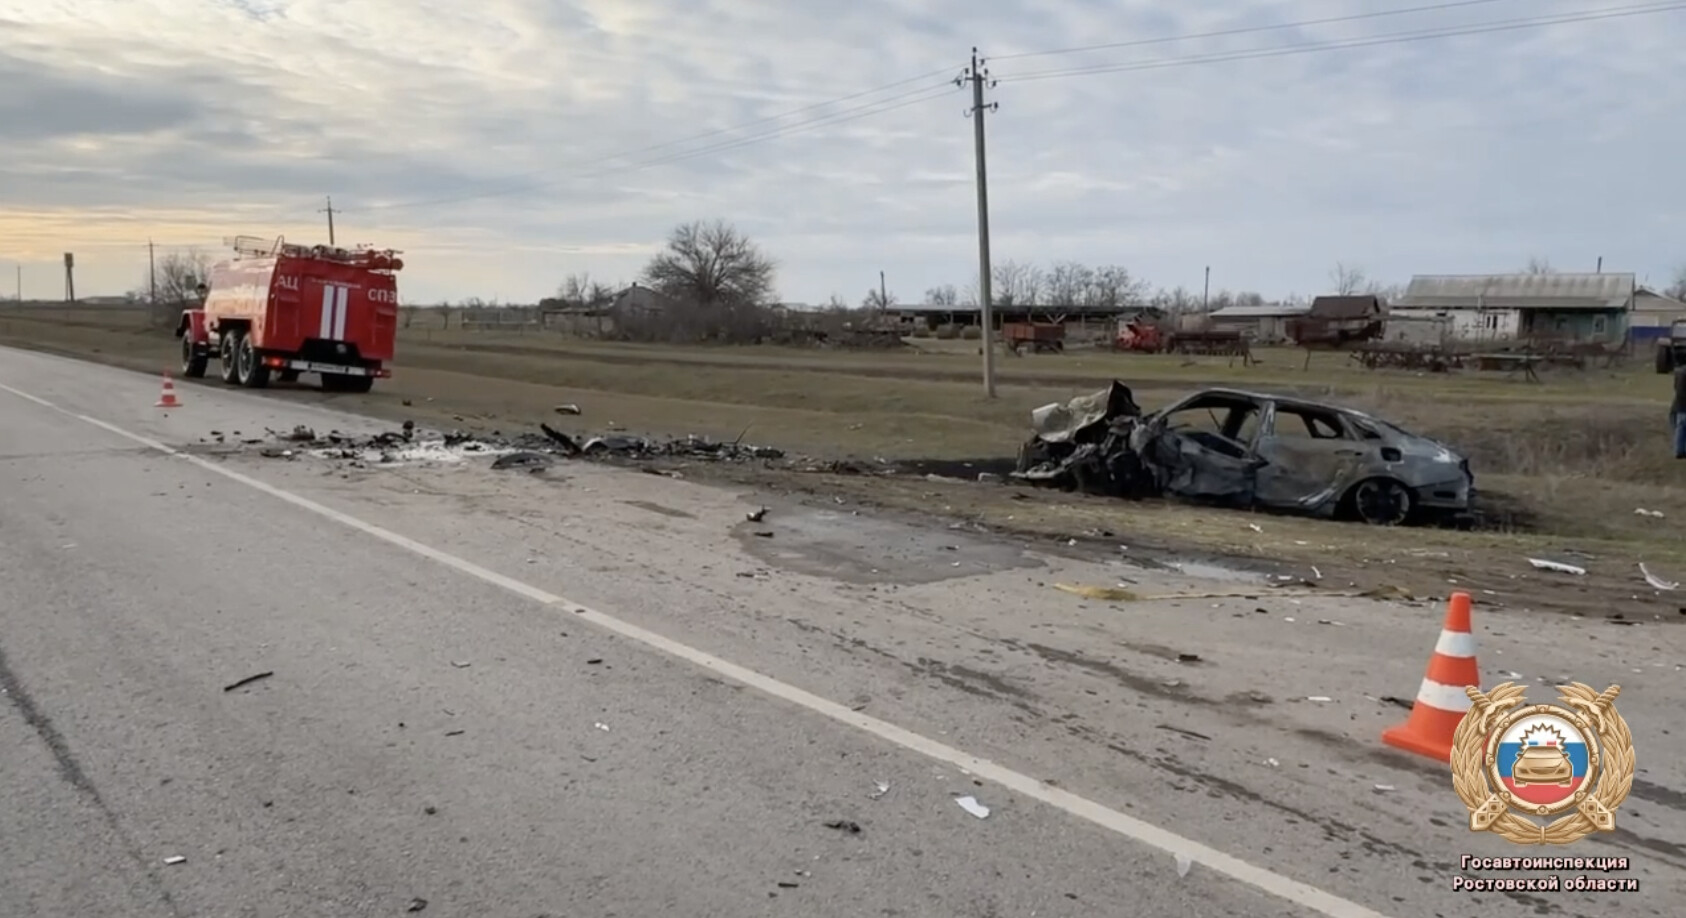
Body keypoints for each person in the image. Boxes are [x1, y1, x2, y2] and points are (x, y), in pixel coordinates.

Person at [1674, 364, 1686, 459]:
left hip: (1679, 404)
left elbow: (1675, 387)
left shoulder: (1679, 372)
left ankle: (1679, 450)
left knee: (1680, 428)